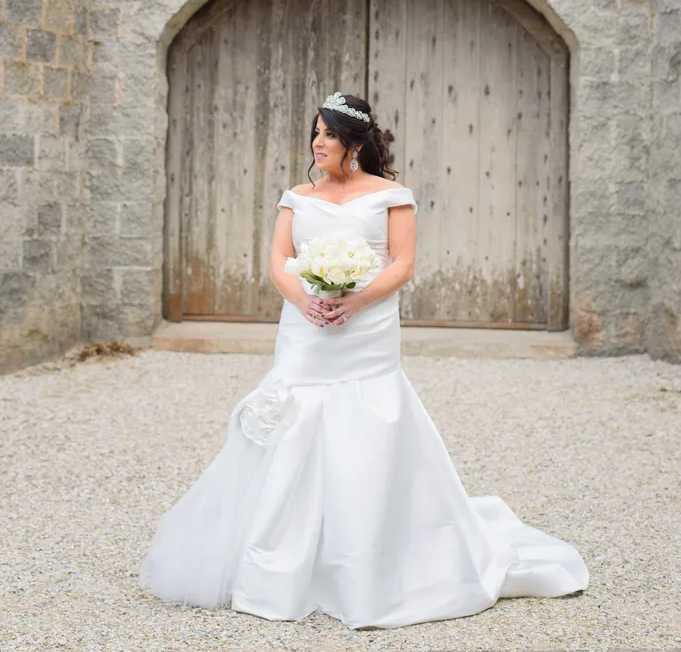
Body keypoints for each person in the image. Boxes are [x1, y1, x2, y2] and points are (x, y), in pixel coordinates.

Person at [138, 91, 590, 629]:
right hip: (306, 330)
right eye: (316, 132)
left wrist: (356, 301)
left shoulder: (391, 196)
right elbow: (279, 260)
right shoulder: (296, 197)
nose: (318, 142)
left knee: (364, 427)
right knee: (295, 422)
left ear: (354, 144)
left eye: (329, 134)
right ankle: (279, 560)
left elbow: (402, 264)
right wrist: (303, 300)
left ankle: (368, 558)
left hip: (366, 330)